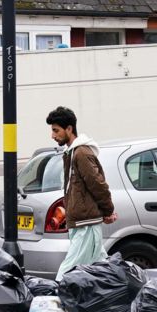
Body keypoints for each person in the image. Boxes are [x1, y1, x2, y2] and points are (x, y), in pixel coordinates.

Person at [45, 106, 117, 281]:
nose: (53, 136)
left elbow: (98, 184)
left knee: (68, 271)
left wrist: (108, 211)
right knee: (99, 267)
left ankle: (54, 299)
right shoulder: (71, 153)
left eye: (56, 130)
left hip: (86, 223)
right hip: (81, 222)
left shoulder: (81, 153)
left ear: (69, 129)